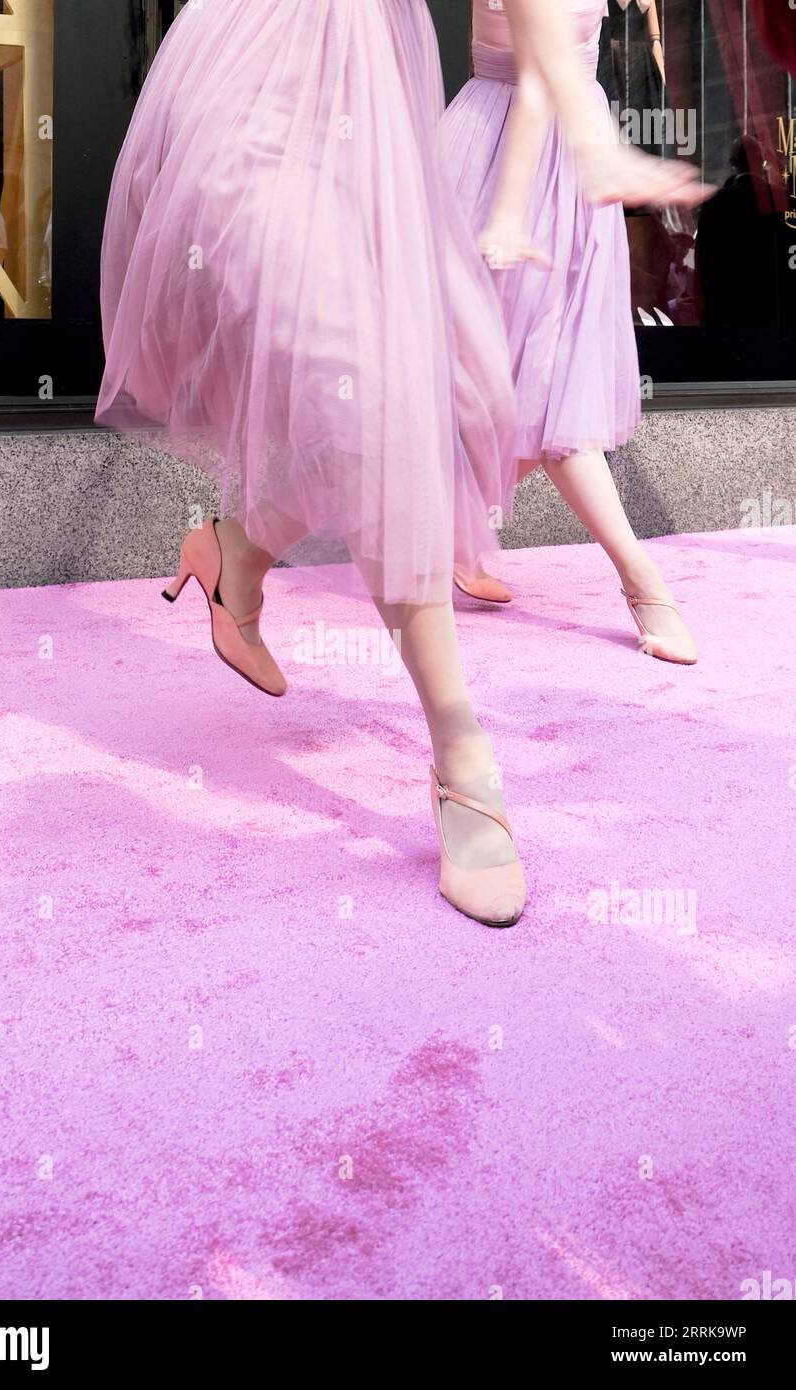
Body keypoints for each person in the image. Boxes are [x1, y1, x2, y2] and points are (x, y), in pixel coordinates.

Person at [97, 0, 706, 928]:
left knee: (390, 395)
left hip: (373, 111)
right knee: (371, 393)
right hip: (257, 89)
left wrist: (583, 137)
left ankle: (234, 552)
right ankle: (464, 760)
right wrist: (587, 140)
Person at [442, 0, 711, 664]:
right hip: (526, 157)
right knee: (547, 393)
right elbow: (537, 78)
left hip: (548, 153)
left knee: (535, 383)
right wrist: (511, 211)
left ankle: (449, 528)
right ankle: (644, 583)